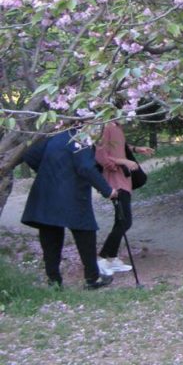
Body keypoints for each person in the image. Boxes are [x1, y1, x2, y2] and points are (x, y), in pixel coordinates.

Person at [20, 125, 120, 289]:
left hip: (46, 194)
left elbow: (30, 155)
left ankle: (53, 281)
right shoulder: (81, 139)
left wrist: (51, 173)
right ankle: (92, 278)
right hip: (73, 195)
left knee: (50, 237)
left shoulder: (55, 135)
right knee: (85, 232)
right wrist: (108, 190)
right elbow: (86, 168)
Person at [95, 120, 154, 276]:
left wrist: (136, 149)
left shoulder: (116, 127)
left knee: (120, 220)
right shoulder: (106, 126)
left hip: (123, 179)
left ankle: (112, 258)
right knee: (125, 221)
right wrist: (122, 162)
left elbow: (119, 147)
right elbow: (100, 154)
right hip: (115, 181)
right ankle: (101, 258)